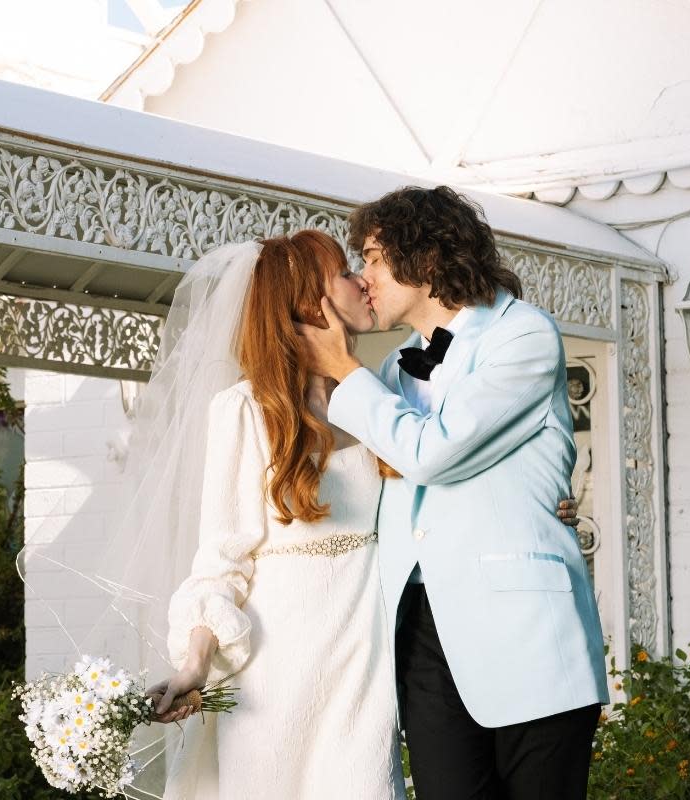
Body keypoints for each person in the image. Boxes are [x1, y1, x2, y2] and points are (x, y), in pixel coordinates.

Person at [141, 229, 580, 800]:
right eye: (346, 273)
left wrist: (541, 504)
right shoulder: (245, 410)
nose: (363, 281)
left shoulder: (381, 393)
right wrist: (195, 663)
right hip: (279, 665)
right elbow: (221, 558)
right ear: (309, 300)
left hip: (365, 661)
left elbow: (442, 466)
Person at [298, 186, 609, 800]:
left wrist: (342, 367)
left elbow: (430, 451)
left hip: (526, 630)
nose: (363, 279)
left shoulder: (523, 336)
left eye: (373, 259)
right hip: (420, 631)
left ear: (428, 258)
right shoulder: (394, 369)